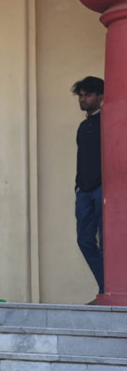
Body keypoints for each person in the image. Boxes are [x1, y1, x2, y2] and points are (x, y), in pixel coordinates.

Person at [72, 76, 104, 296]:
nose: (83, 99)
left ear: (101, 97)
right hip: (84, 191)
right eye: (81, 95)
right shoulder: (83, 127)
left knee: (108, 241)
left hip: (103, 189)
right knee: (84, 240)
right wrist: (78, 186)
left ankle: (107, 289)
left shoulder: (110, 121)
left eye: (88, 94)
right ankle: (105, 285)